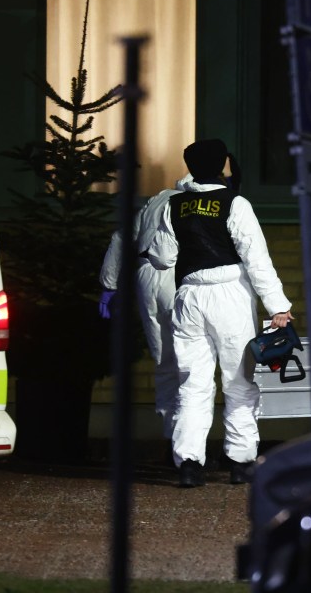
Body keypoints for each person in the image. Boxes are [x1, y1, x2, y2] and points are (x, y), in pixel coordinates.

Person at [147, 138, 293, 487]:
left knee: (192, 384)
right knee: (239, 381)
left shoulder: (174, 205)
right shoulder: (235, 203)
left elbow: (162, 257)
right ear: (222, 165)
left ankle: (189, 463)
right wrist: (278, 306)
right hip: (229, 296)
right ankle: (240, 462)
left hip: (189, 297)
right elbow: (256, 258)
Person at [98, 173, 194, 442]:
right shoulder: (196, 203)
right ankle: (186, 443)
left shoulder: (158, 199)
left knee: (164, 360)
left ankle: (171, 436)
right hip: (176, 276)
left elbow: (121, 237)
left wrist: (109, 285)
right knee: (189, 360)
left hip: (145, 277)